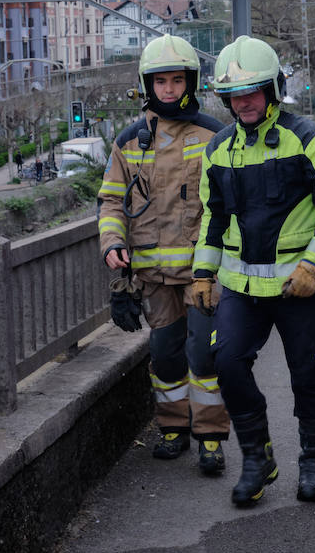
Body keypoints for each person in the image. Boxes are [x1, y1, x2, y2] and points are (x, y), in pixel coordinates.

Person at [192, 36, 315, 507]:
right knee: (227, 364)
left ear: (274, 89)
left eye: (254, 91)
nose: (243, 102)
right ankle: (258, 460)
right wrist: (203, 274)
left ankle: (313, 462)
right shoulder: (218, 151)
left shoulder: (310, 138)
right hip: (241, 287)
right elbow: (212, 216)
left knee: (306, 373)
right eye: (235, 95)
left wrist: (313, 265)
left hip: (299, 287)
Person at [98, 35, 230, 475]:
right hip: (154, 278)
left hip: (202, 275)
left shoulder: (214, 135)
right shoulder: (129, 142)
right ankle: (173, 429)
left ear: (190, 82)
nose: (169, 89)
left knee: (205, 357)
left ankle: (211, 438)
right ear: (147, 85)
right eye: (161, 81)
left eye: (177, 80)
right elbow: (112, 204)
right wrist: (113, 245)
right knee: (166, 355)